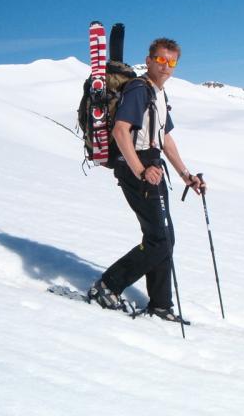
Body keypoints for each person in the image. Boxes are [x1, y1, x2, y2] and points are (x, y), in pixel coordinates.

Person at [87, 37, 204, 323]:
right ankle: (108, 286)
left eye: (172, 61)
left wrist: (186, 175)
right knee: (160, 239)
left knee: (164, 238)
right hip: (138, 168)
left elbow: (164, 138)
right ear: (149, 60)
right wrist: (140, 170)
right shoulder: (140, 89)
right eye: (161, 60)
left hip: (153, 166)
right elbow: (120, 131)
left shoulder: (159, 94)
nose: (166, 66)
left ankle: (161, 304)